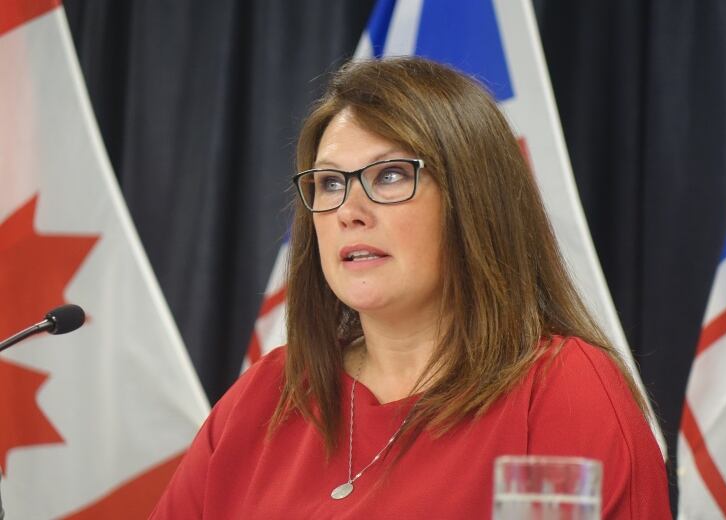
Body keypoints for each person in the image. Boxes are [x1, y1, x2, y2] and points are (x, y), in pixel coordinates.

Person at [151, 57, 670, 518]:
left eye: (392, 175)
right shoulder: (265, 396)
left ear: (475, 203)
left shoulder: (558, 392)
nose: (350, 212)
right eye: (330, 182)